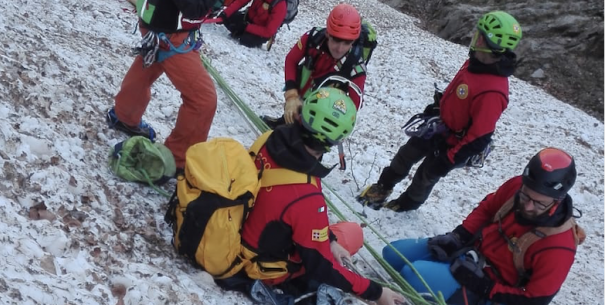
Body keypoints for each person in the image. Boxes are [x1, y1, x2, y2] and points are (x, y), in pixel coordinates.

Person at [216, 88, 406, 305]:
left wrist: (330, 241)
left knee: (342, 237)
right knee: (353, 234)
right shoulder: (306, 197)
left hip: (238, 228)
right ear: (335, 142)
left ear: (300, 116)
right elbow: (323, 267)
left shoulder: (269, 139)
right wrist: (376, 292)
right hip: (263, 267)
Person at [358, 11, 523, 212]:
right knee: (405, 155)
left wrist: (449, 160)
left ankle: (406, 206)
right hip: (439, 126)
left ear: (494, 48)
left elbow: (480, 136)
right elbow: (459, 91)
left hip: (453, 144)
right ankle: (383, 187)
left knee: (425, 176)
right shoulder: (475, 62)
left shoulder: (493, 91)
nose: (475, 40)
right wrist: (439, 105)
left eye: (480, 37)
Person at [382, 148, 581, 305]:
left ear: (558, 199)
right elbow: (487, 209)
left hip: (492, 286)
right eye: (526, 196)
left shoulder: (558, 245)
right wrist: (458, 236)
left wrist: (485, 288)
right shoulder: (517, 187)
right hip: (470, 255)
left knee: (412, 275)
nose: (528, 205)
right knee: (391, 254)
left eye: (539, 203)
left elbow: (536, 299)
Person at [106, 0, 218, 170]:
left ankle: (125, 115)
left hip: (157, 21)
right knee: (203, 100)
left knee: (152, 60)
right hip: (169, 32)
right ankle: (177, 158)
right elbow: (193, 9)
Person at [262, 3, 368, 129]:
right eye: (336, 40)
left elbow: (354, 106)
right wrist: (291, 95)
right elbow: (291, 60)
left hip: (322, 121)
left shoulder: (356, 67)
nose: (340, 49)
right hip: (301, 96)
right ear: (328, 34)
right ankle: (287, 123)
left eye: (347, 43)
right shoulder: (313, 38)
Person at [219, 0, 287, 48]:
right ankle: (239, 31)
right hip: (247, 19)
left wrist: (246, 27)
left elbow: (268, 31)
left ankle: (245, 34)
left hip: (261, 32)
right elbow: (240, 1)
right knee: (229, 19)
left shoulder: (280, 5)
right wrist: (225, 13)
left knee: (245, 40)